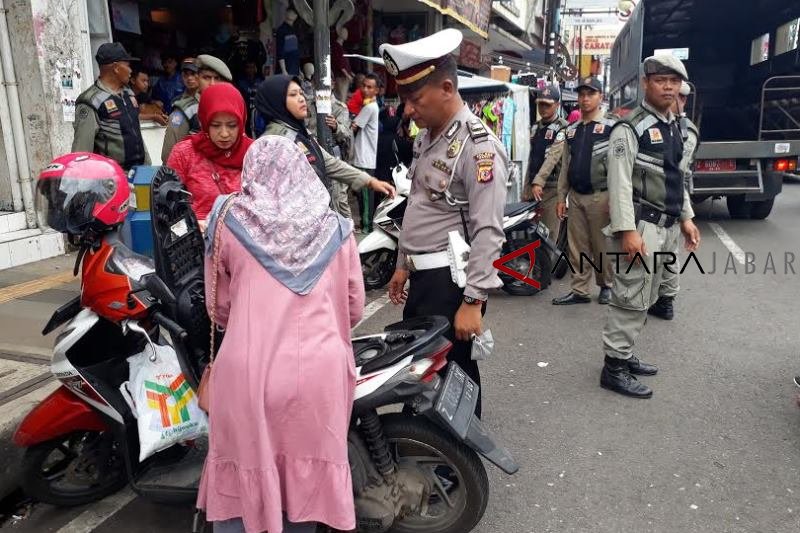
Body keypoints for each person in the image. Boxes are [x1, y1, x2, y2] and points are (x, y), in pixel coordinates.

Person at [197, 134, 364, 533]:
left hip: (249, 372)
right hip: (320, 375)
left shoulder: (227, 221)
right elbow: (355, 306)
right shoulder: (338, 228)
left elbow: (217, 308)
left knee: (246, 468)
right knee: (304, 490)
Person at [382, 29, 508, 417]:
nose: (408, 110)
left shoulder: (479, 147)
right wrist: (402, 264)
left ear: (448, 88)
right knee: (420, 368)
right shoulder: (428, 138)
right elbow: (418, 204)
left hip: (451, 284)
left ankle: (455, 463)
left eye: (415, 99)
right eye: (405, 100)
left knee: (455, 370)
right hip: (423, 279)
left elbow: (489, 229)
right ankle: (423, 443)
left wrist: (474, 301)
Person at [600, 55, 701, 398]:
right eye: (661, 80)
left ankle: (624, 355)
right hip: (643, 228)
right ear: (646, 83)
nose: (669, 86)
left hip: (668, 227)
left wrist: (686, 218)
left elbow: (676, 179)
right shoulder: (630, 127)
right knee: (630, 296)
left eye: (674, 81)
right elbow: (619, 184)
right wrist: (626, 230)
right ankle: (613, 367)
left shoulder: (675, 127)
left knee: (647, 295)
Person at [255, 75, 395, 210]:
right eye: (293, 95)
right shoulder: (274, 142)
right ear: (277, 101)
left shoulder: (300, 132)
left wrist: (370, 181)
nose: (301, 99)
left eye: (301, 93)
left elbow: (329, 162)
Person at [552, 77, 615, 306]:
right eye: (582, 94)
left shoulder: (611, 128)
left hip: (601, 195)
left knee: (601, 244)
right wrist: (562, 197)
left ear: (601, 97)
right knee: (576, 245)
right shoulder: (571, 131)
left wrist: (616, 199)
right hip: (576, 197)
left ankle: (605, 285)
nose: (585, 99)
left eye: (590, 94)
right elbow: (565, 166)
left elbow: (619, 167)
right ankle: (580, 290)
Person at [648, 80, 700, 321]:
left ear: (683, 99)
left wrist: (685, 215)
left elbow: (677, 173)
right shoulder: (667, 124)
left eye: (678, 97)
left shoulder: (685, 130)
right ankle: (661, 299)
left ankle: (664, 300)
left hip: (673, 195)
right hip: (663, 196)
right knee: (664, 253)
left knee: (664, 253)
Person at [166, 83, 253, 225]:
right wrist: (191, 224)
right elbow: (167, 205)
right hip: (199, 241)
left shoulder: (255, 154)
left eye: (232, 125)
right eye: (215, 125)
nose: (224, 134)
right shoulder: (184, 153)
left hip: (244, 242)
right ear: (204, 122)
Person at [72, 42, 150, 170]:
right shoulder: (90, 102)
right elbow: (81, 152)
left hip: (138, 173)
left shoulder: (128, 94)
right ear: (116, 68)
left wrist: (147, 164)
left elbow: (135, 132)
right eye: (128, 66)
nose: (130, 71)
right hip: (111, 180)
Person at [161, 54, 233, 162]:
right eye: (207, 78)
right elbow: (169, 155)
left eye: (217, 78)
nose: (212, 83)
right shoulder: (185, 110)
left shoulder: (231, 109)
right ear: (199, 79)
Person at [523, 83, 569, 239]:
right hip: (533, 191)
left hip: (551, 189)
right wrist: (526, 188)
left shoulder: (562, 128)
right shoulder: (535, 127)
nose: (543, 108)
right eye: (540, 104)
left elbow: (553, 156)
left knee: (547, 236)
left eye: (547, 105)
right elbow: (530, 160)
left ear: (557, 104)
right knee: (529, 236)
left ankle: (549, 264)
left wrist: (539, 181)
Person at [352, 73, 381, 233]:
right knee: (364, 195)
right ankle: (365, 225)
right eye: (364, 85)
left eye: (369, 87)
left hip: (364, 158)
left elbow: (353, 127)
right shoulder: (369, 106)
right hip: (364, 157)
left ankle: (367, 226)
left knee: (365, 196)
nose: (365, 89)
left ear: (376, 90)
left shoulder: (369, 107)